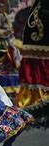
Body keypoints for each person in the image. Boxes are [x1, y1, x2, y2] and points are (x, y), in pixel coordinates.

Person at [15, 0, 49, 128]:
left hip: (40, 25)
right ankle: (37, 104)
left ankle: (40, 103)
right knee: (35, 63)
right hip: (37, 26)